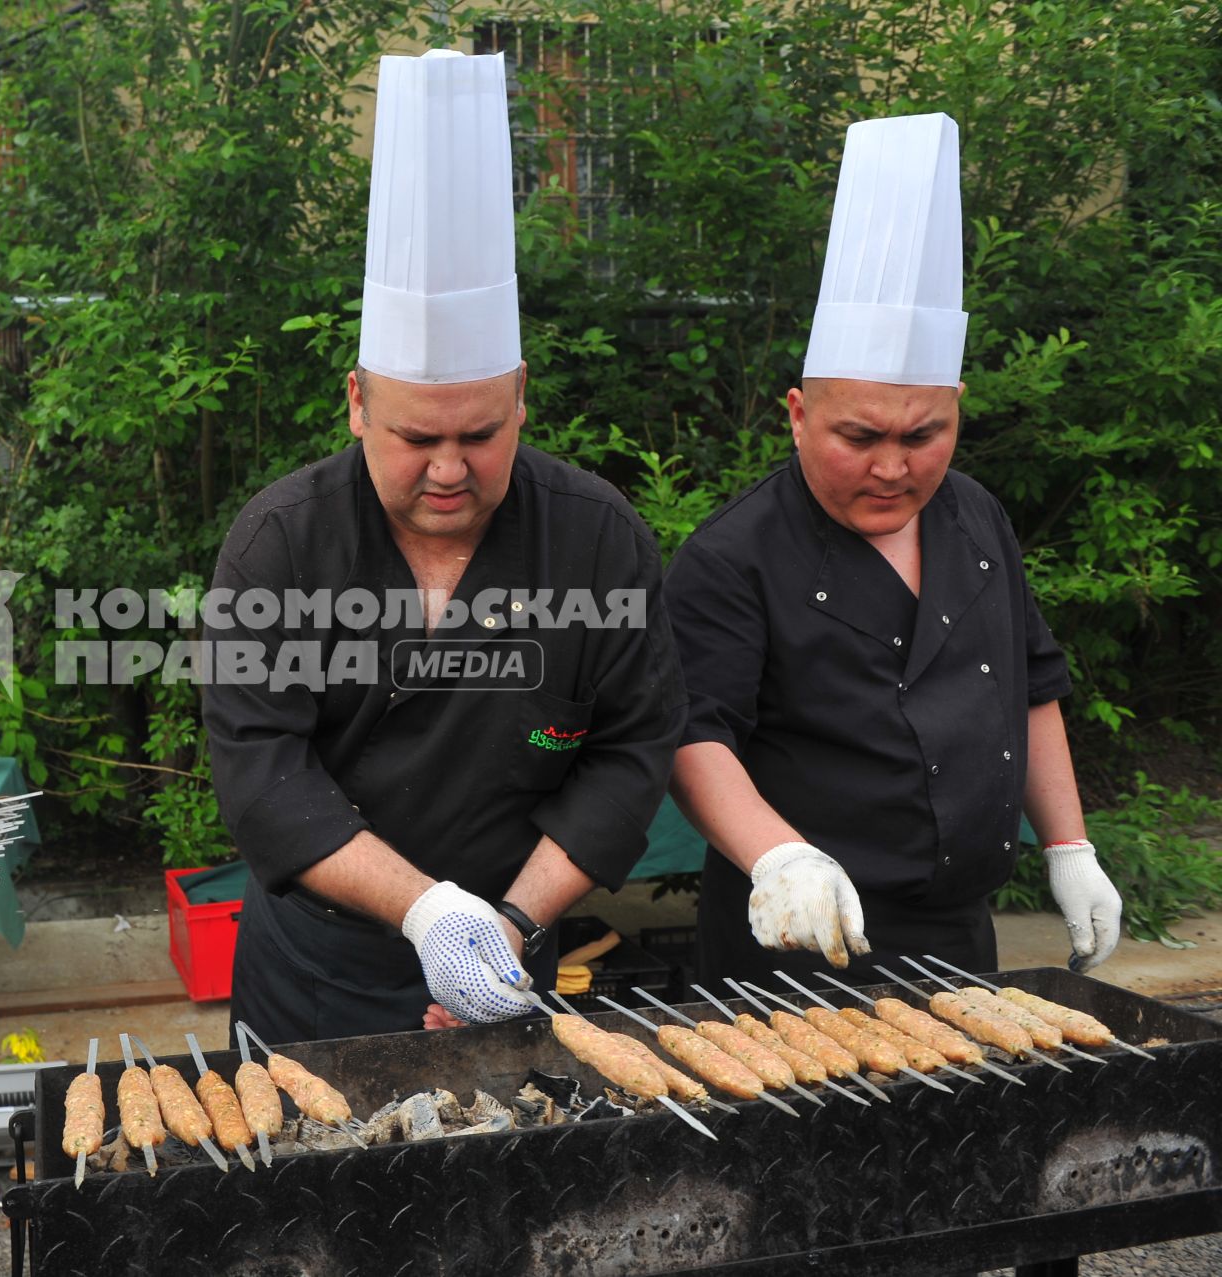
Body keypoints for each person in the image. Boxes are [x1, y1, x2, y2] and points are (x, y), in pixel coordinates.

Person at [203, 51, 685, 1045]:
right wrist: (431, 910)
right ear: (356, 403)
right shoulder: (281, 544)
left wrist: (503, 924)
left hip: (515, 944)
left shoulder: (597, 541)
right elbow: (263, 773)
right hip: (318, 967)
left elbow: (632, 751)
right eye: (417, 438)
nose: (451, 469)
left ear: (521, 397)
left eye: (481, 433)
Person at [663, 113, 1123, 986]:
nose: (892, 466)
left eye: (924, 433)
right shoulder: (734, 556)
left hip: (960, 931)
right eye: (860, 434)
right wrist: (780, 858)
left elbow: (1033, 684)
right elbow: (692, 739)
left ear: (957, 405)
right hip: (798, 941)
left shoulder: (976, 516)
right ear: (798, 414)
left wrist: (1067, 844)